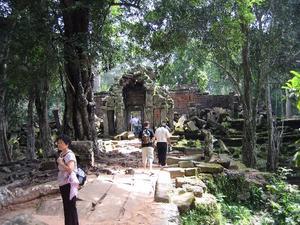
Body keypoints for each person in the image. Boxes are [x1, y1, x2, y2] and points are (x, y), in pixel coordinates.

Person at [56, 134, 79, 225]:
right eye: (58, 143)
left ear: (67, 144)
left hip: (69, 184)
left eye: (61, 143)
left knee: (71, 207)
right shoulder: (61, 154)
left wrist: (61, 163)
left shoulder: (70, 155)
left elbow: (70, 169)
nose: (59, 144)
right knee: (66, 206)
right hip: (63, 183)